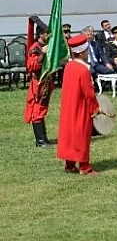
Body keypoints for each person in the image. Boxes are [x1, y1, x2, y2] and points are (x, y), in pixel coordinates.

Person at [56, 35, 101, 175]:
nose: (88, 53)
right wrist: (95, 108)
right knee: (82, 135)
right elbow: (89, 93)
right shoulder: (83, 70)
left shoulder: (69, 66)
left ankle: (69, 164)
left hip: (69, 106)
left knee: (70, 134)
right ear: (81, 52)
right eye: (86, 51)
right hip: (80, 107)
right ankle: (84, 167)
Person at [24, 16, 56, 148]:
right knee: (37, 110)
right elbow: (32, 66)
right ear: (39, 34)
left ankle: (44, 138)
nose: (46, 35)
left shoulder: (45, 45)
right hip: (38, 84)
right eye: (44, 33)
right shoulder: (35, 48)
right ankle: (40, 141)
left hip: (46, 82)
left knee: (42, 109)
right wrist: (42, 54)